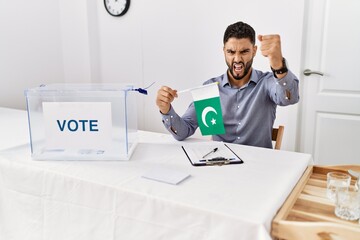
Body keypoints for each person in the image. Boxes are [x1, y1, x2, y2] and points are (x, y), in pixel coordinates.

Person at [155, 21, 299, 148]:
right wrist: (166, 110)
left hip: (258, 167)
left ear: (254, 51)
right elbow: (183, 132)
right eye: (231, 52)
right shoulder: (209, 89)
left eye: (244, 51)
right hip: (220, 165)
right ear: (224, 51)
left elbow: (289, 98)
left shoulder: (267, 82)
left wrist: (278, 66)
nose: (237, 59)